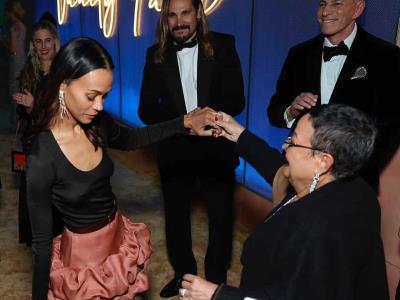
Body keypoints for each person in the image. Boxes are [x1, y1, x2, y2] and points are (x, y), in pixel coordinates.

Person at [26, 37, 218, 300]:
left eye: (105, 96)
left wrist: (184, 121)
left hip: (116, 238)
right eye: (92, 96)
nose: (100, 107)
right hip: (85, 263)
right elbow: (41, 244)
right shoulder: (42, 154)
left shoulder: (96, 122)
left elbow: (133, 139)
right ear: (63, 86)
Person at [179, 104, 389, 300]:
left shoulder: (321, 232)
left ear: (323, 161)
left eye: (293, 141)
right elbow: (280, 170)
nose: (284, 145)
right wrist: (239, 135)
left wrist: (218, 294)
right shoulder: (352, 186)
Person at [138, 0, 245, 297]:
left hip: (216, 147)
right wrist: (184, 123)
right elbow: (145, 110)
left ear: (198, 12)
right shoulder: (155, 56)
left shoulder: (224, 45)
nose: (179, 21)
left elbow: (237, 100)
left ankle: (215, 281)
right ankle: (184, 276)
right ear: (165, 20)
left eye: (185, 13)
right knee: (175, 218)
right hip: (176, 149)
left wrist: (207, 119)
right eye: (172, 15)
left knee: (221, 218)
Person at [267, 0, 400, 190]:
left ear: (358, 8)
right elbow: (274, 112)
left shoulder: (385, 56)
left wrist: (357, 168)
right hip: (298, 178)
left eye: (337, 4)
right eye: (322, 4)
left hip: (353, 182)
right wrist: (291, 111)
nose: (325, 11)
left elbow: (392, 125)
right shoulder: (299, 54)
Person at [12, 20, 61, 246]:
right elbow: (23, 113)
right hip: (32, 146)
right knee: (34, 197)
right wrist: (26, 107)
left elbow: (65, 112)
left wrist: (35, 106)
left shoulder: (64, 75)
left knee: (56, 198)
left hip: (58, 145)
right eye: (39, 41)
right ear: (33, 45)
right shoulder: (28, 73)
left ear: (55, 42)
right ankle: (39, 243)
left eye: (48, 40)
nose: (43, 46)